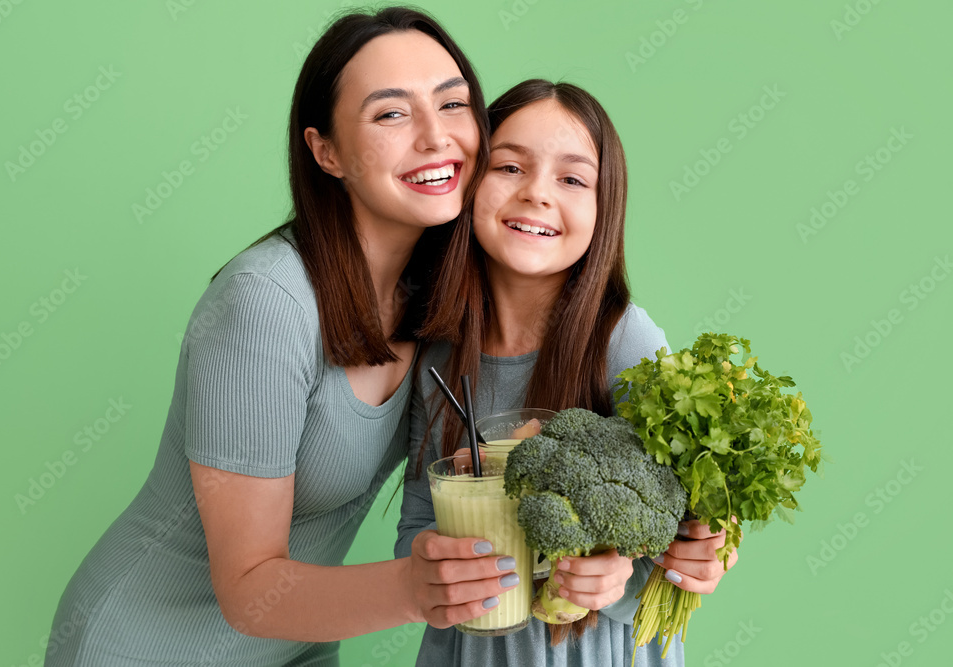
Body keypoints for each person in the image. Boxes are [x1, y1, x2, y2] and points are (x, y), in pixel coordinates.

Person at [45, 8, 523, 666]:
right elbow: (247, 588)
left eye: (453, 104)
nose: (436, 137)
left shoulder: (439, 297)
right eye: (391, 114)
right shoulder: (264, 303)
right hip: (145, 648)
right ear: (326, 151)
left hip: (295, 646)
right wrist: (417, 588)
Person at [396, 79, 739, 666]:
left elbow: (683, 532)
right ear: (470, 182)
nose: (537, 195)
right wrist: (430, 556)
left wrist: (630, 573)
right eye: (509, 168)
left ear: (605, 212)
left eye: (573, 179)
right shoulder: (437, 361)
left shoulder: (623, 341)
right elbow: (415, 527)